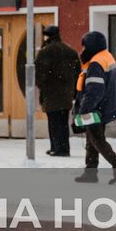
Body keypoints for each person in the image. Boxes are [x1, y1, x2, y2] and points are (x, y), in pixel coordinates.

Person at [72, 30, 116, 182]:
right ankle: (90, 173)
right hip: (103, 105)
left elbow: (94, 91)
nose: (82, 50)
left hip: (96, 108)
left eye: (84, 46)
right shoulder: (106, 57)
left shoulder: (96, 63)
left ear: (91, 46)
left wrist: (83, 110)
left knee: (97, 139)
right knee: (92, 139)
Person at [33, 25, 78, 157]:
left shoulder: (44, 52)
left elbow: (38, 75)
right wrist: (73, 91)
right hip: (66, 94)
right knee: (63, 122)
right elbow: (78, 73)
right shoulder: (70, 51)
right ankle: (64, 148)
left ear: (47, 36)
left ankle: (57, 148)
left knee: (53, 122)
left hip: (50, 94)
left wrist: (43, 85)